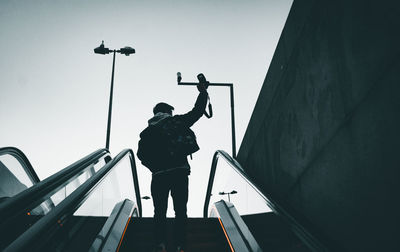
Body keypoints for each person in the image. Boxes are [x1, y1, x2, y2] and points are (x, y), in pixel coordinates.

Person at [145, 82, 208, 252]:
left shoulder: (147, 132)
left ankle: (160, 244)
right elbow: (197, 112)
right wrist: (203, 92)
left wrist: (155, 167)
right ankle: (180, 244)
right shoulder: (177, 122)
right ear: (167, 112)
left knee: (159, 211)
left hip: (158, 176)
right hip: (179, 173)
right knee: (180, 210)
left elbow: (141, 154)